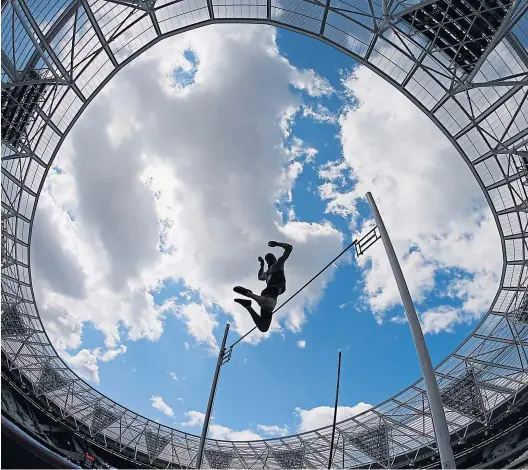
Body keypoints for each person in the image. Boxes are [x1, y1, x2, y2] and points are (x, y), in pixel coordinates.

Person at [233, 240, 293, 332]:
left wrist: (262, 265)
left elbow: (259, 277)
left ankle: (248, 305)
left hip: (265, 295)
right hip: (273, 290)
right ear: (275, 259)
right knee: (269, 306)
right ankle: (249, 294)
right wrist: (277, 244)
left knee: (263, 327)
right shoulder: (278, 264)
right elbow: (289, 248)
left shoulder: (267, 273)